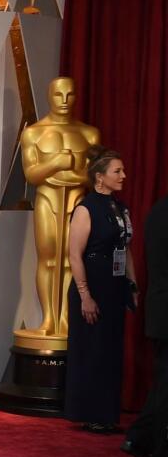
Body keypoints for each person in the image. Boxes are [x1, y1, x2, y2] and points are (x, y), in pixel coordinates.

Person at [65, 146, 137, 433]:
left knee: (110, 350)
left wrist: (133, 285)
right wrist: (85, 295)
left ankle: (106, 413)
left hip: (114, 285)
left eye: (123, 170)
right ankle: (90, 412)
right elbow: (74, 255)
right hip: (92, 283)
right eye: (117, 171)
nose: (123, 176)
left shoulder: (121, 208)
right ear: (99, 177)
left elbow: (127, 250)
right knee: (93, 349)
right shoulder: (86, 208)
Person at [123, 194, 167, 457]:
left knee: (163, 382)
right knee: (166, 387)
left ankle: (138, 438)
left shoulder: (157, 211)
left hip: (160, 308)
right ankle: (163, 454)